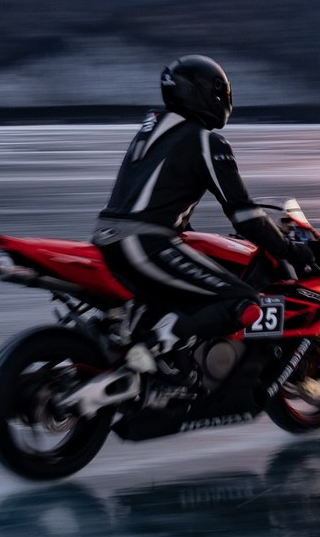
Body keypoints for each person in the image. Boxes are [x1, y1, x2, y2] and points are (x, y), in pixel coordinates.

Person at [92, 55, 302, 363]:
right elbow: (245, 216)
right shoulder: (206, 142)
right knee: (243, 300)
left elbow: (160, 194)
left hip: (105, 237)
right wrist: (289, 249)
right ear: (205, 92)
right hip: (145, 244)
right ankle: (151, 348)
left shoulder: (152, 132)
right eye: (221, 91)